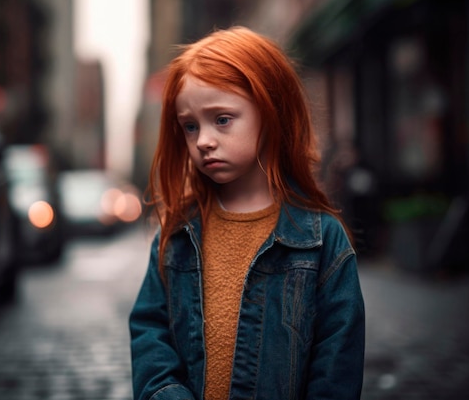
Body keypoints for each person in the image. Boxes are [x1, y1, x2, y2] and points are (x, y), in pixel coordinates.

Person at [129, 26, 365, 400]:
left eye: (222, 119)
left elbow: (337, 361)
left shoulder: (321, 239)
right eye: (190, 126)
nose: (203, 140)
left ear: (271, 112)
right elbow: (149, 332)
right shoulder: (176, 236)